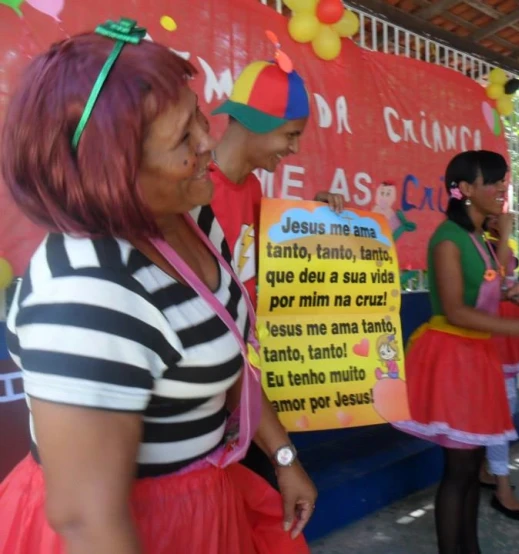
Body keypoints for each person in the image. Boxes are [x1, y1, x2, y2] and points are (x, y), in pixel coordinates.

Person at [0, 21, 315, 554]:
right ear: (110, 171)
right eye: (183, 140)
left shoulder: (190, 216)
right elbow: (87, 521)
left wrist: (283, 455)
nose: (209, 145)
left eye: (197, 117)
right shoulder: (87, 293)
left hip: (205, 500)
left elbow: (226, 352)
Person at [393, 150, 519, 554]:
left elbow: (487, 284)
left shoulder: (478, 239)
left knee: (471, 468)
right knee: (458, 471)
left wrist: (510, 292)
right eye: (493, 182)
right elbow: (456, 310)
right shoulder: (447, 239)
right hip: (453, 357)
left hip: (477, 357)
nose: (502, 188)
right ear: (466, 190)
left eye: (503, 181)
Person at [206, 56, 343, 488]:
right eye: (290, 135)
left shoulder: (251, 188)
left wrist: (316, 216)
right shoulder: (194, 190)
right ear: (254, 123)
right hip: (207, 386)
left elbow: (272, 248)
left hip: (246, 379)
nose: (294, 149)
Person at [478, 214, 519, 521]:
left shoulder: (495, 246)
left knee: (504, 408)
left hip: (505, 342)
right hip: (487, 342)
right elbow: (493, 281)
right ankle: (502, 488)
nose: (500, 218)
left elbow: (505, 280)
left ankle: (487, 471)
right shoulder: (474, 246)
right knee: (499, 413)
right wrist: (503, 235)